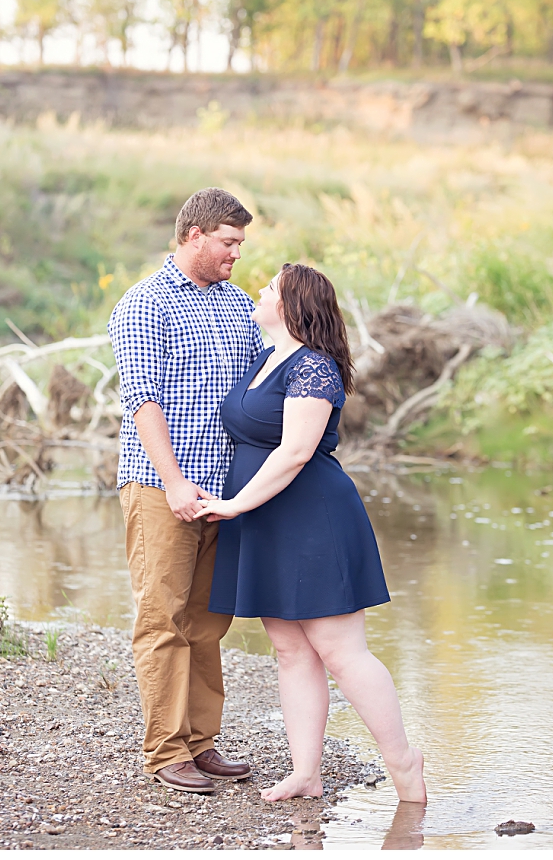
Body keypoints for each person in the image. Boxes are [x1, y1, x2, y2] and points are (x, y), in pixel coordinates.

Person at [194, 262, 427, 805]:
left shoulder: (314, 367)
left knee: (341, 651)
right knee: (289, 650)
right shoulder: (264, 358)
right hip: (266, 517)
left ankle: (405, 763)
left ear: (292, 304)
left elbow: (297, 450)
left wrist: (234, 504)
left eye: (271, 287)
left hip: (312, 515)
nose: (259, 289)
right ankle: (306, 772)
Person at [108, 187, 262, 793]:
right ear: (193, 235)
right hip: (161, 486)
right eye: (228, 242)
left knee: (206, 620)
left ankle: (202, 742)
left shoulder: (236, 303)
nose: (236, 254)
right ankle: (166, 751)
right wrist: (174, 484)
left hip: (222, 495)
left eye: (241, 244)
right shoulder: (146, 304)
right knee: (163, 618)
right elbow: (142, 402)